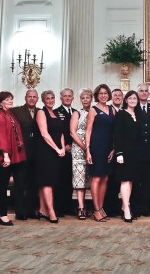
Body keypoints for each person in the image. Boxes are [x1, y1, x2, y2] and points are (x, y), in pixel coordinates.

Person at [0, 92, 26, 226]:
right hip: (0, 157)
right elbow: (1, 137)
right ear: (0, 103)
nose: (10, 101)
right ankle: (2, 215)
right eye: (7, 99)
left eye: (11, 98)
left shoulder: (8, 114)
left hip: (7, 155)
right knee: (0, 187)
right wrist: (6, 156)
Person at [86, 84, 115, 222]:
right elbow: (88, 131)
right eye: (100, 93)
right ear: (97, 95)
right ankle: (96, 210)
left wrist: (114, 148)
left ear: (108, 95)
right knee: (96, 178)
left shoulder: (111, 109)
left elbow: (115, 131)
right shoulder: (93, 110)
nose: (103, 95)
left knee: (105, 178)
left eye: (105, 93)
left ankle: (101, 208)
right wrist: (88, 151)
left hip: (108, 148)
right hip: (96, 147)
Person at [34, 90, 65, 223]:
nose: (50, 100)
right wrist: (57, 148)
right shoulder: (41, 112)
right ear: (43, 100)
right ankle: (51, 212)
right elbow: (44, 134)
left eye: (52, 98)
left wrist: (63, 147)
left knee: (46, 181)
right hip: (45, 151)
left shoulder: (56, 113)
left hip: (57, 151)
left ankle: (42, 209)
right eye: (48, 98)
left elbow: (61, 133)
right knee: (47, 181)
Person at [10, 89, 40, 220]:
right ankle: (20, 211)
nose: (32, 99)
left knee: (33, 183)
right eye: (30, 96)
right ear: (25, 98)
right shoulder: (16, 111)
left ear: (37, 98)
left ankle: (31, 210)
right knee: (20, 183)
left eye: (34, 97)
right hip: (21, 152)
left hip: (37, 153)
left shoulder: (41, 112)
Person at [113, 91, 140, 223]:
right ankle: (127, 210)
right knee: (125, 180)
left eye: (135, 98)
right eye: (130, 98)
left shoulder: (138, 114)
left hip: (135, 153)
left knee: (131, 180)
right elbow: (117, 135)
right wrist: (119, 153)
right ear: (126, 100)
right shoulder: (121, 114)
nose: (133, 100)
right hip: (124, 153)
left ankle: (125, 205)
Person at [131, 84, 150, 218]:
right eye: (141, 91)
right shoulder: (132, 109)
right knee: (136, 182)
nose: (144, 93)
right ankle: (136, 208)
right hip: (136, 152)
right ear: (137, 93)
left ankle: (146, 208)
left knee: (148, 182)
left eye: (146, 91)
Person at [70, 88, 92, 219]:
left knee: (91, 177)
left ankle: (95, 207)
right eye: (83, 98)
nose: (85, 100)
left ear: (91, 99)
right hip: (79, 148)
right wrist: (84, 147)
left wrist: (90, 148)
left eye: (87, 97)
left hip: (92, 148)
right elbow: (73, 132)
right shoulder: (76, 113)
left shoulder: (95, 112)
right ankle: (81, 207)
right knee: (80, 178)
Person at [55, 88, 76, 217]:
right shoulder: (56, 112)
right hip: (61, 151)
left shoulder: (76, 112)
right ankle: (59, 207)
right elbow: (57, 132)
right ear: (61, 97)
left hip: (74, 150)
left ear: (73, 98)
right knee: (60, 180)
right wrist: (64, 146)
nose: (67, 98)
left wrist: (73, 146)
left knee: (70, 180)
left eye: (69, 96)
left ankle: (68, 206)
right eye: (65, 96)